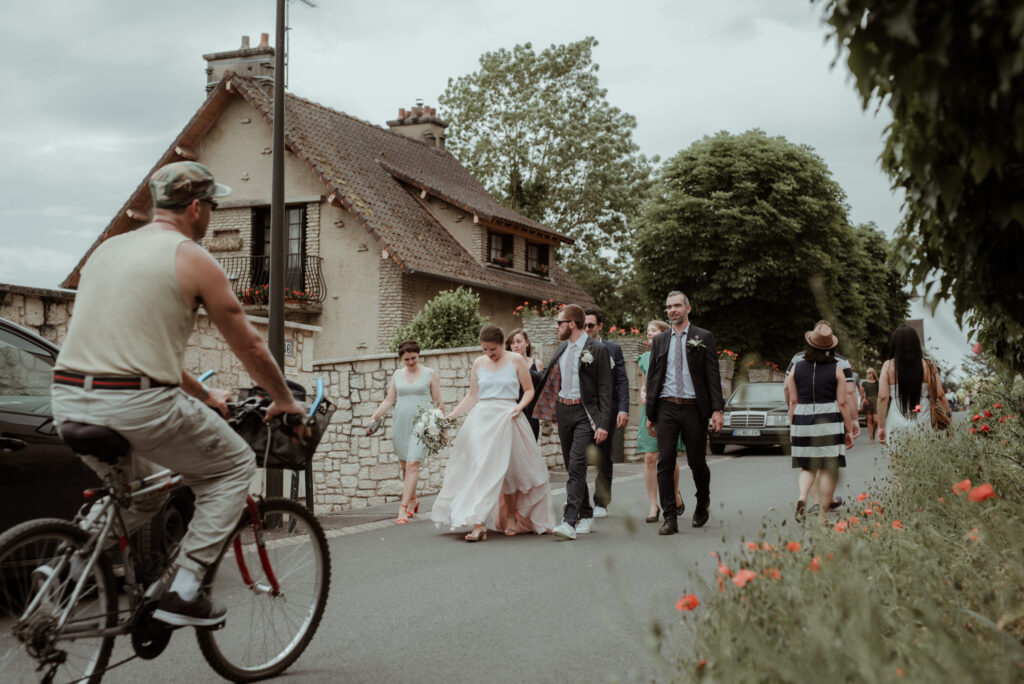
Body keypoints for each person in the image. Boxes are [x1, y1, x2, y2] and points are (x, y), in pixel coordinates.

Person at [50, 161, 305, 628]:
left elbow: (133, 347)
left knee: (143, 493)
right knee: (234, 465)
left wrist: (203, 392)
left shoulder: (107, 250)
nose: (211, 213)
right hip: (136, 404)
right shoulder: (191, 258)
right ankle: (185, 590)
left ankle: (66, 567)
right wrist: (285, 400)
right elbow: (249, 345)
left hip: (68, 397)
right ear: (195, 208)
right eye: (213, 205)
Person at [431, 325, 555, 541]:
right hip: (482, 420)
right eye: (485, 349)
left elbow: (529, 390)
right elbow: (472, 396)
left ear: (502, 344)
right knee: (480, 468)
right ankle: (478, 523)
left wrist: (519, 407)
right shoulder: (479, 363)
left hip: (508, 417)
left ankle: (510, 517)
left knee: (510, 471)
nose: (489, 353)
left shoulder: (515, 360)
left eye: (493, 349)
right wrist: (451, 415)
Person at [644, 291, 725, 535]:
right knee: (665, 461)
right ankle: (670, 516)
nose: (672, 310)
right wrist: (650, 414)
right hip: (666, 406)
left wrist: (717, 409)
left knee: (697, 462)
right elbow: (653, 377)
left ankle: (702, 501)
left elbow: (712, 375)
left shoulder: (703, 337)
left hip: (693, 407)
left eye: (677, 306)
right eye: (669, 307)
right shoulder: (660, 340)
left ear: (687, 308)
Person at [530, 304, 612, 540]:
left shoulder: (597, 349)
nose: (557, 327)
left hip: (585, 413)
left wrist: (603, 423)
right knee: (571, 465)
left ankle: (569, 522)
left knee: (577, 464)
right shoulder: (563, 348)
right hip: (564, 412)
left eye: (559, 323)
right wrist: (519, 368)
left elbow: (605, 389)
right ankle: (586, 513)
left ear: (572, 324)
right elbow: (547, 378)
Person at [784, 322, 856, 523]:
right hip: (829, 419)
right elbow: (843, 402)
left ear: (810, 345)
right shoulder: (837, 370)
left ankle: (802, 497)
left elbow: (793, 401)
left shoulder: (796, 368)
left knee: (807, 467)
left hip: (802, 417)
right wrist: (849, 429)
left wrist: (792, 427)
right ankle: (822, 516)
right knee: (827, 469)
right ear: (830, 347)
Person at [367, 340, 444, 524]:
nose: (411, 362)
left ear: (419, 355)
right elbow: (389, 400)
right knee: (405, 465)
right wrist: (374, 417)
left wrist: (441, 428)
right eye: (407, 359)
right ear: (401, 359)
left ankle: (402, 509)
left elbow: (438, 403)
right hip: (400, 423)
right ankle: (413, 500)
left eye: (413, 358)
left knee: (412, 464)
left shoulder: (429, 374)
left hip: (421, 424)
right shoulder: (397, 375)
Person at [583, 308, 630, 518]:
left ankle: (601, 501)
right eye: (583, 325)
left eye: (590, 325)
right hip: (583, 411)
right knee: (578, 457)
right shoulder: (576, 348)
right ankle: (578, 500)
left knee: (603, 457)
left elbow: (622, 381)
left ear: (600, 326)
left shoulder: (613, 349)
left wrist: (623, 408)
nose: (586, 329)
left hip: (606, 411)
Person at [636, 320, 683, 522]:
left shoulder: (675, 355)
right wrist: (642, 392)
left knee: (668, 457)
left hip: (669, 408)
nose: (649, 334)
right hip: (649, 410)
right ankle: (653, 505)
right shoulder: (645, 358)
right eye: (647, 331)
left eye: (653, 330)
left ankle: (674, 493)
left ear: (665, 334)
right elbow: (644, 385)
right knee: (649, 458)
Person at [877, 325, 950, 445]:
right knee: (924, 455)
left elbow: (882, 397)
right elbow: (941, 394)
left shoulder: (888, 366)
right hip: (923, 418)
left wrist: (881, 426)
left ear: (895, 344)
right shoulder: (929, 365)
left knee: (897, 456)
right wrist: (948, 417)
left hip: (896, 420)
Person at [506, 328, 544, 439]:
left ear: (527, 343)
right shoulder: (506, 366)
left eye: (519, 341)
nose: (515, 346)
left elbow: (543, 390)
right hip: (513, 413)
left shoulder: (537, 364)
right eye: (512, 343)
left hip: (531, 416)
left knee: (531, 447)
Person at [861, 367, 880, 443]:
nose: (867, 374)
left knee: (876, 420)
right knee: (869, 420)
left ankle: (873, 433)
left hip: (876, 401)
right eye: (866, 373)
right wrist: (863, 401)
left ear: (873, 373)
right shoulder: (864, 383)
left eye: (869, 373)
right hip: (867, 401)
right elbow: (862, 394)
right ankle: (871, 437)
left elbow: (881, 392)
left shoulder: (877, 382)